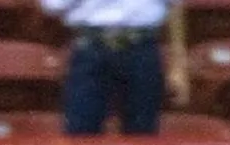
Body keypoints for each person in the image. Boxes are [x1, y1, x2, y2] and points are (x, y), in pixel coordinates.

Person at [42, 0, 189, 137]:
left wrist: (178, 65)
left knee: (143, 136)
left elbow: (175, 5)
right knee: (81, 134)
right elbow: (53, 6)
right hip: (90, 48)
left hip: (141, 48)